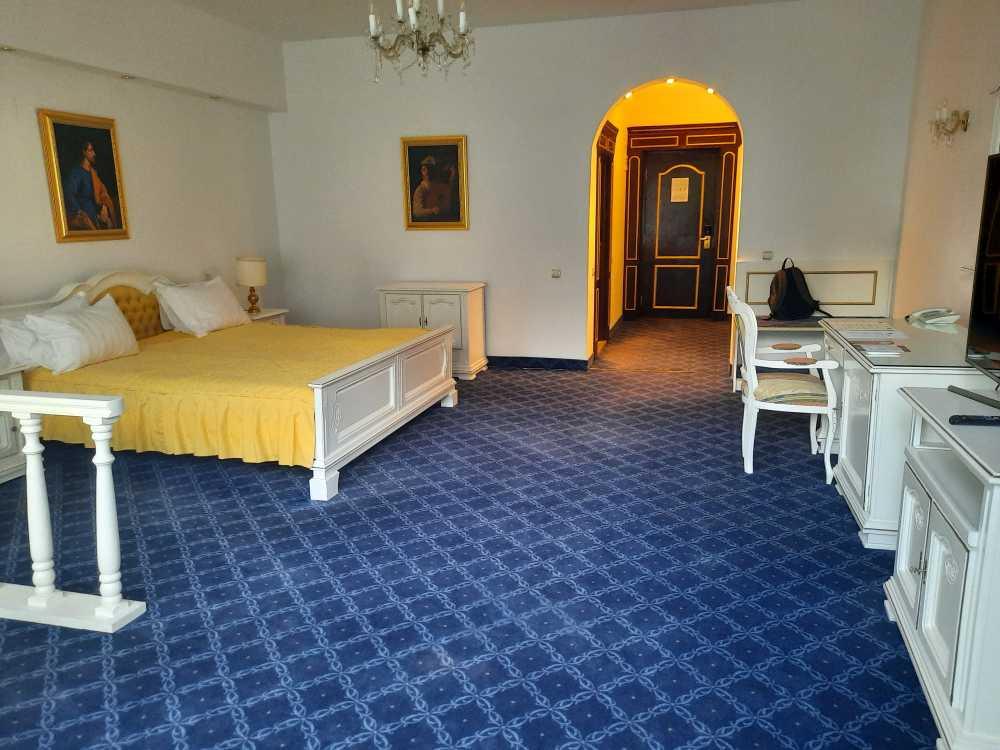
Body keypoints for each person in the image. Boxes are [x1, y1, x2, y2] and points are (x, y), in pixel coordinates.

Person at [63, 140, 119, 230]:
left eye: (93, 150)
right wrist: (79, 211)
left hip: (95, 212)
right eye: (91, 150)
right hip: (84, 213)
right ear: (84, 152)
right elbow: (69, 193)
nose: (94, 154)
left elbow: (100, 194)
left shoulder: (93, 173)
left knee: (109, 224)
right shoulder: (77, 173)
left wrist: (103, 206)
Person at [411, 155, 457, 220]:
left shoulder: (440, 186)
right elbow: (417, 212)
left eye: (430, 169)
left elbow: (447, 205)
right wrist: (432, 211)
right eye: (424, 169)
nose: (427, 172)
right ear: (421, 172)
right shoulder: (420, 190)